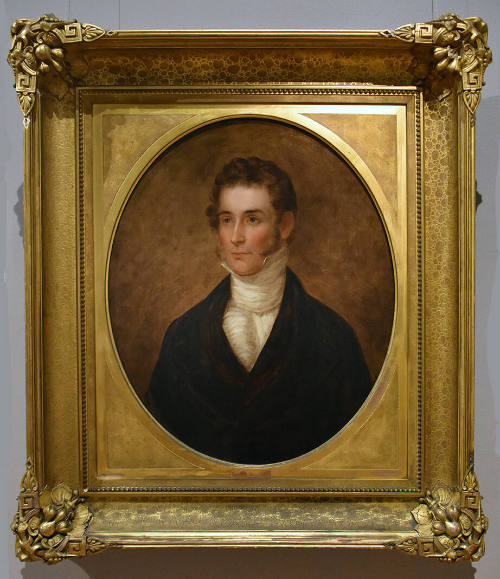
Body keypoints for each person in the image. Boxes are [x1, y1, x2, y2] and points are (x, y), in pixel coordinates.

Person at [146, 157, 372, 464]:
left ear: (285, 225)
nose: (236, 237)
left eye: (252, 219)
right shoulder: (181, 337)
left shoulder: (334, 339)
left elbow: (359, 457)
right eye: (227, 219)